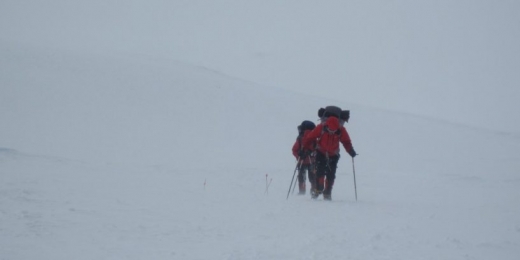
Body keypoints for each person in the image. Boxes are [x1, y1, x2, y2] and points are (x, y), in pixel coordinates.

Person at [303, 116, 356, 200]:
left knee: (331, 175)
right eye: (330, 130)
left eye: (334, 131)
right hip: (321, 153)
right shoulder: (321, 127)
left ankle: (327, 192)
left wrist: (350, 151)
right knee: (319, 172)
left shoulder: (341, 130)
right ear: (327, 126)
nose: (331, 132)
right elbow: (310, 138)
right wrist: (304, 149)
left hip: (334, 155)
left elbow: (346, 141)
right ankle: (318, 189)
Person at [292, 121, 316, 195]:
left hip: (303, 160)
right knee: (312, 177)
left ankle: (302, 192)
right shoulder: (315, 138)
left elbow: (294, 150)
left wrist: (298, 155)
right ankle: (313, 190)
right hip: (312, 161)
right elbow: (317, 150)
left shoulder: (300, 138)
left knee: (301, 177)